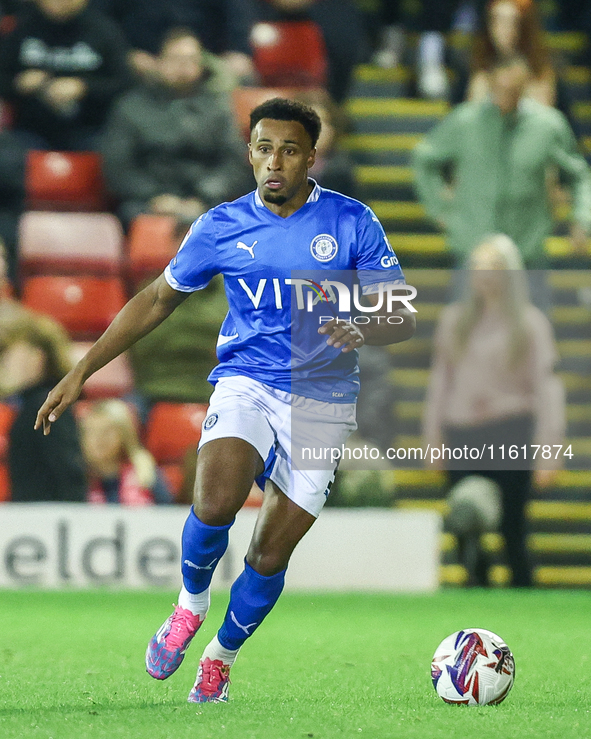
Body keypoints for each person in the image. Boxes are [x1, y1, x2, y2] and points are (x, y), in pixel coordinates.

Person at [35, 97, 416, 702]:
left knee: (268, 553)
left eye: (289, 151)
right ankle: (189, 607)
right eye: (264, 149)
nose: (275, 162)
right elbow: (159, 298)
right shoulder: (222, 225)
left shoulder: (351, 222)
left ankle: (221, 655)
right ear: (249, 154)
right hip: (247, 381)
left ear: (311, 158)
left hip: (321, 402)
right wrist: (83, 367)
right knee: (214, 501)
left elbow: (397, 311)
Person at [423, 234, 566, 586]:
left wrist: (551, 450)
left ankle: (522, 589)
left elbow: (547, 390)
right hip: (463, 432)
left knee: (511, 525)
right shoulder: (454, 322)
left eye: (494, 267)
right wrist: (432, 439)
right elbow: (440, 384)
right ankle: (477, 584)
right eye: (479, 267)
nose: (485, 275)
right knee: (464, 518)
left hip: (511, 430)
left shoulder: (531, 325)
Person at [413, 56, 591, 269]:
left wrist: (582, 217)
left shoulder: (548, 126)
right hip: (473, 249)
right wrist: (439, 209)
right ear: (490, 83)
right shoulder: (464, 121)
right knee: (466, 303)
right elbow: (424, 159)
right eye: (501, 87)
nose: (506, 94)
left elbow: (579, 175)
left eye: (513, 89)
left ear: (524, 87)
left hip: (526, 250)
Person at [101, 27, 250, 230]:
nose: (183, 67)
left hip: (206, 202)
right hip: (145, 203)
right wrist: (155, 196)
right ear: (158, 61)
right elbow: (118, 166)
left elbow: (233, 162)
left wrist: (203, 196)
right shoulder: (130, 107)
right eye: (175, 59)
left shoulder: (218, 108)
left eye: (191, 60)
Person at [0, 0, 130, 151]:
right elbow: (3, 78)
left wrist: (84, 87)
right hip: (29, 131)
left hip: (90, 130)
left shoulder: (104, 30)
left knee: (114, 152)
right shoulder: (22, 27)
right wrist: (19, 83)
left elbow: (124, 84)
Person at [0, 313, 86, 502]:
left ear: (36, 356)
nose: (5, 362)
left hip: (47, 521)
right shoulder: (34, 404)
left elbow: (68, 472)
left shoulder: (46, 406)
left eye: (10, 353)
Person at [81, 399, 173, 505]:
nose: (99, 439)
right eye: (92, 432)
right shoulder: (76, 477)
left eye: (107, 432)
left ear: (124, 435)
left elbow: (168, 512)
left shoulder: (145, 472)